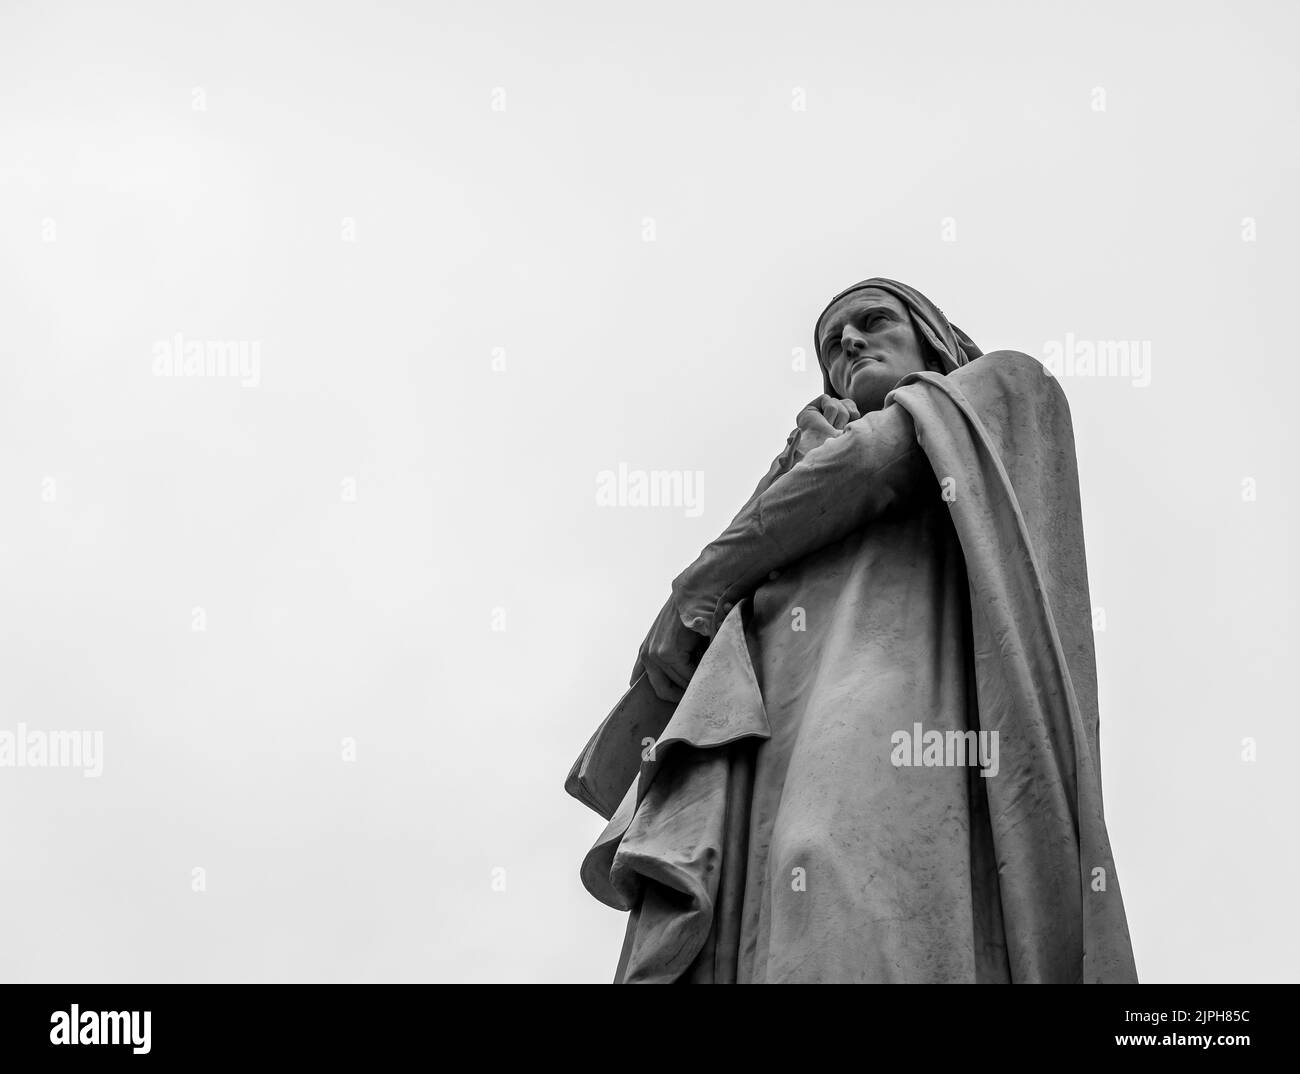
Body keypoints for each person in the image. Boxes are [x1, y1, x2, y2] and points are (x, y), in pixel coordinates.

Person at [579, 277, 1138, 984]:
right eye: (830, 348)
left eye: (871, 320)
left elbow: (870, 465)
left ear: (930, 333)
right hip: (777, 733)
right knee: (767, 921)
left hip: (910, 716)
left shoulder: (1001, 388)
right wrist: (787, 471)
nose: (847, 344)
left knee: (832, 868)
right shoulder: (805, 478)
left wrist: (701, 583)